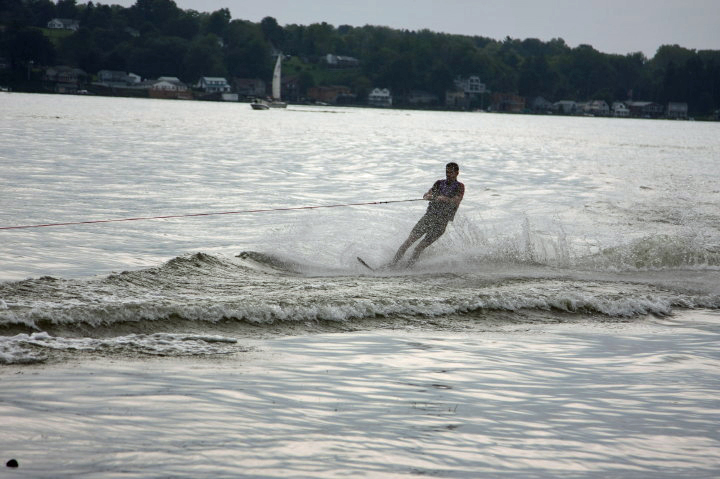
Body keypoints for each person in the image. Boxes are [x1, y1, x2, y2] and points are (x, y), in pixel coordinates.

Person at [390, 162, 465, 266]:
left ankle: (408, 267)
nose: (448, 175)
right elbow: (426, 194)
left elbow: (456, 201)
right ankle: (392, 265)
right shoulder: (439, 183)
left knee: (418, 248)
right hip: (428, 218)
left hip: (441, 223)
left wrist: (445, 199)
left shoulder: (460, 186)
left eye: (451, 172)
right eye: (447, 172)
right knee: (408, 242)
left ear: (457, 173)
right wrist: (428, 196)